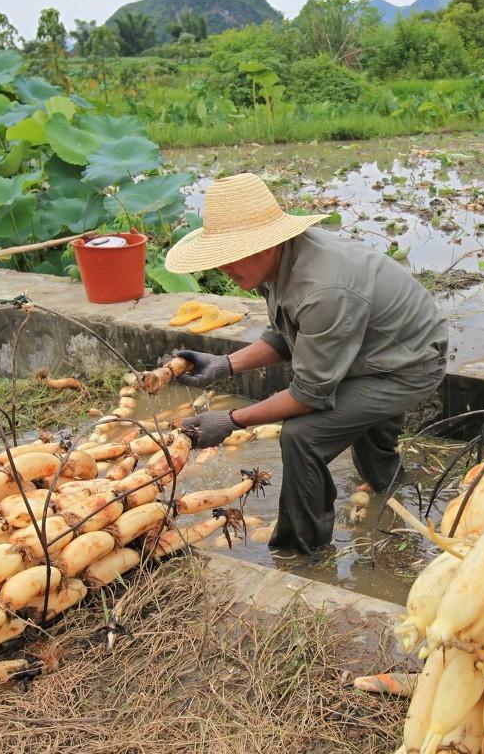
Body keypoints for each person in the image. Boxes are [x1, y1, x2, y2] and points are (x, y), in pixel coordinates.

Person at [163, 173, 448, 554]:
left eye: (230, 258)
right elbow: (289, 335)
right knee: (362, 430)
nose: (224, 270)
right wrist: (225, 364)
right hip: (375, 347)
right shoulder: (279, 262)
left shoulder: (321, 288)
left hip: (407, 365)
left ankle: (301, 551)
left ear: (263, 245)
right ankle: (389, 488)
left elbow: (309, 396)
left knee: (303, 436)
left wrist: (230, 421)